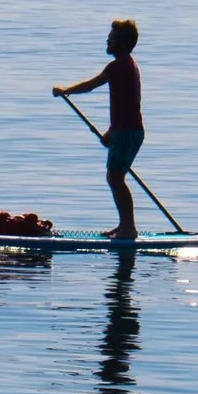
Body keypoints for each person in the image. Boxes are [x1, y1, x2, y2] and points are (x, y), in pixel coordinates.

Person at [54, 19, 146, 240]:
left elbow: (93, 84)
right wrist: (111, 131)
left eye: (112, 38)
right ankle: (124, 225)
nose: (107, 40)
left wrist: (67, 91)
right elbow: (126, 104)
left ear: (122, 43)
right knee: (115, 177)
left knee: (115, 178)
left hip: (127, 131)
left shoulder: (119, 66)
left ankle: (129, 228)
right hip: (126, 130)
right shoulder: (128, 64)